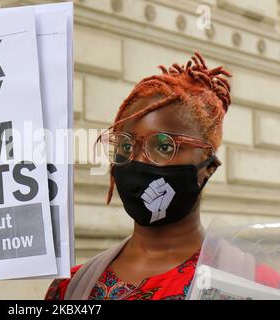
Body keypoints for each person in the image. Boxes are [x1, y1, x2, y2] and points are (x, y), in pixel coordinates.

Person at [45, 52, 279, 300]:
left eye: (164, 147)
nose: (137, 161)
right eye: (125, 147)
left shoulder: (252, 285)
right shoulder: (71, 289)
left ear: (208, 167)